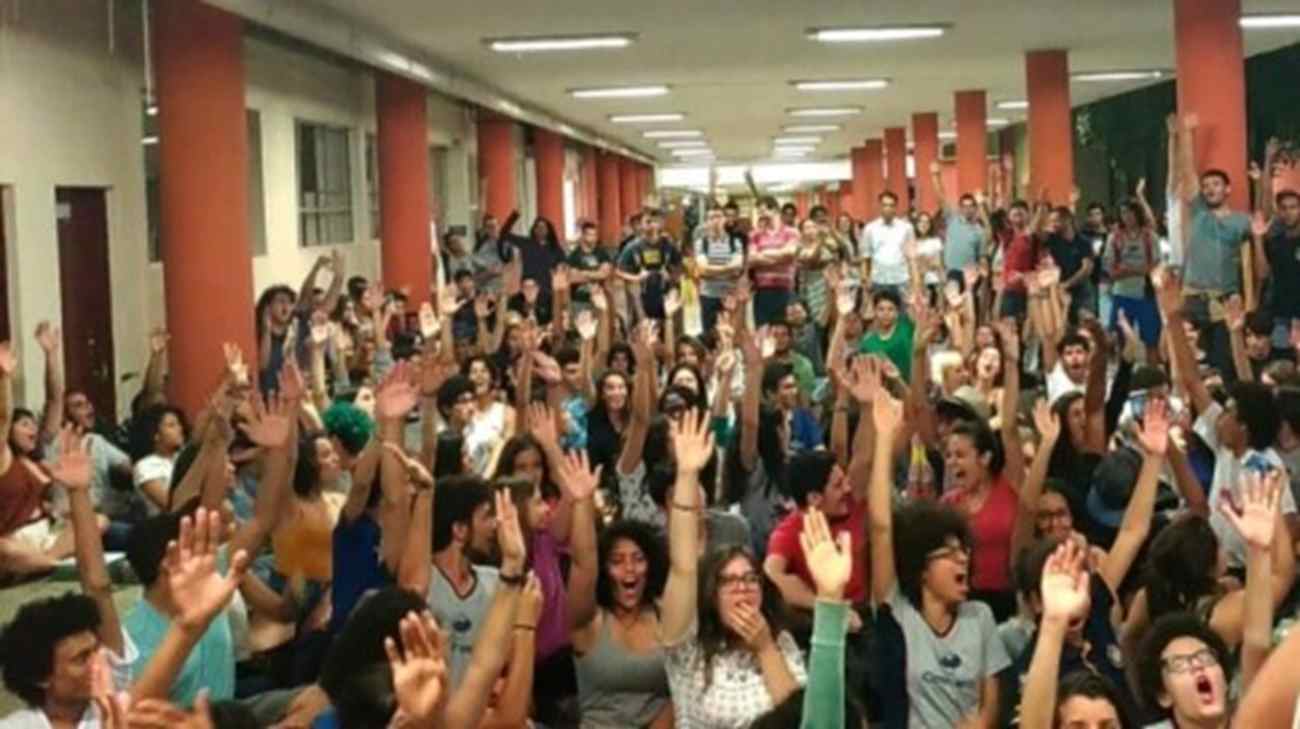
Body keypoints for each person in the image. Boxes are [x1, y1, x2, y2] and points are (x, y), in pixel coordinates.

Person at [867, 382, 1010, 729]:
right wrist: (884, 439)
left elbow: (991, 703)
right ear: (921, 567)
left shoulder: (981, 617)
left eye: (964, 551)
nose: (963, 560)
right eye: (949, 553)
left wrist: (982, 724)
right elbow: (881, 528)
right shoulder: (899, 611)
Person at [659, 410, 807, 729]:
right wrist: (687, 475)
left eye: (751, 579)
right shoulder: (688, 646)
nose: (742, 587)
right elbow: (683, 567)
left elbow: (796, 719)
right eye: (728, 581)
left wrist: (765, 648)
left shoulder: (780, 641)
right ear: (710, 594)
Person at [563, 451, 673, 729]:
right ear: (604, 570)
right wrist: (582, 502)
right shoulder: (588, 621)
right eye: (617, 561)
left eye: (638, 559)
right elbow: (582, 563)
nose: (629, 570)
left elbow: (684, 687)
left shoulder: (666, 614)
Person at [1016, 540, 1139, 729]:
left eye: (1077, 586)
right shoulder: (1035, 670)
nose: (1072, 599)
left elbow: (1131, 534)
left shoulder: (1097, 619)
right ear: (1036, 601)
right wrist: (1054, 620)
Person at [1175, 114, 1251, 375]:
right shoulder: (1198, 212)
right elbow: (1188, 175)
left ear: (1227, 189)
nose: (1209, 189)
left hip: (1223, 300)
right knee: (1188, 361)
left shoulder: (1241, 221)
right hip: (1192, 297)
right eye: (1206, 185)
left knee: (1224, 362)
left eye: (1216, 184)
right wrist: (1187, 135)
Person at [1104, 198, 1160, 349]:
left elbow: (1155, 267)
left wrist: (1128, 270)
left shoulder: (1150, 237)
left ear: (1138, 213)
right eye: (1123, 212)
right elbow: (1111, 271)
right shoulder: (1114, 238)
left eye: (1131, 212)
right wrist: (1138, 270)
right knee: (1117, 341)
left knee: (1151, 342)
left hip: (1146, 295)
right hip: (1122, 294)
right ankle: (1123, 365)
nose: (1127, 216)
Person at [1253, 190, 1300, 359]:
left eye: (1293, 207)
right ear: (1278, 211)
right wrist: (1258, 239)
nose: (1288, 212)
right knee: (1282, 361)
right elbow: (1263, 273)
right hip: (1280, 313)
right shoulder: (1275, 241)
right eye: (1284, 208)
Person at [618, 209, 681, 323]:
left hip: (665, 297)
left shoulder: (669, 245)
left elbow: (680, 267)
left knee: (667, 328)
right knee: (643, 328)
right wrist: (636, 278)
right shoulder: (632, 247)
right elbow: (618, 271)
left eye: (655, 221)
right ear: (641, 225)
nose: (652, 225)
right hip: (641, 298)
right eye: (648, 222)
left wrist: (671, 277)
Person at [930, 162, 988, 282]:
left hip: (971, 275)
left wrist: (983, 272)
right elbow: (941, 197)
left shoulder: (979, 230)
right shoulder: (952, 218)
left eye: (971, 206)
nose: (968, 209)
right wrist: (935, 176)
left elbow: (982, 255)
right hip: (951, 272)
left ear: (975, 208)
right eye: (964, 206)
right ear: (960, 208)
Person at [694, 204, 746, 333]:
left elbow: (737, 266)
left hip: (730, 296)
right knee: (709, 335)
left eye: (718, 216)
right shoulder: (701, 243)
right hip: (708, 296)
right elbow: (702, 269)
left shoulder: (735, 242)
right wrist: (727, 269)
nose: (715, 221)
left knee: (731, 334)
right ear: (707, 222)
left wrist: (711, 271)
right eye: (711, 218)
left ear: (724, 219)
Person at [749, 196, 800, 327]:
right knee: (762, 331)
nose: (761, 215)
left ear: (775, 210)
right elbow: (752, 259)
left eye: (763, 211)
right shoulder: (755, 234)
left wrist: (763, 254)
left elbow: (790, 253)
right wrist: (780, 257)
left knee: (784, 330)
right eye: (759, 212)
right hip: (762, 291)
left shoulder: (791, 232)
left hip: (785, 290)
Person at [861, 191, 915, 299]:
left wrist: (915, 282)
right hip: (878, 280)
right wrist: (865, 279)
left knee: (903, 310)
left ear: (896, 207)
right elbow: (865, 257)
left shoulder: (906, 228)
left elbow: (912, 258)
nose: (888, 208)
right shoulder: (870, 228)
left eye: (891, 205)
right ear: (879, 207)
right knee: (879, 310)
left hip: (901, 280)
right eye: (885, 205)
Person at [857, 289, 915, 382]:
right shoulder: (867, 344)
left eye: (890, 309)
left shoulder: (906, 327)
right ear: (875, 311)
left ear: (897, 312)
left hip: (913, 386)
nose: (886, 313)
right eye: (881, 309)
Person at [567, 221, 613, 308]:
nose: (594, 238)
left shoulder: (601, 253)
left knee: (602, 300)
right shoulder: (574, 255)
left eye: (595, 235)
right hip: (580, 295)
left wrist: (584, 273)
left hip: (599, 292)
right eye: (590, 235)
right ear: (583, 236)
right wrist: (596, 275)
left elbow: (605, 274)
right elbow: (573, 278)